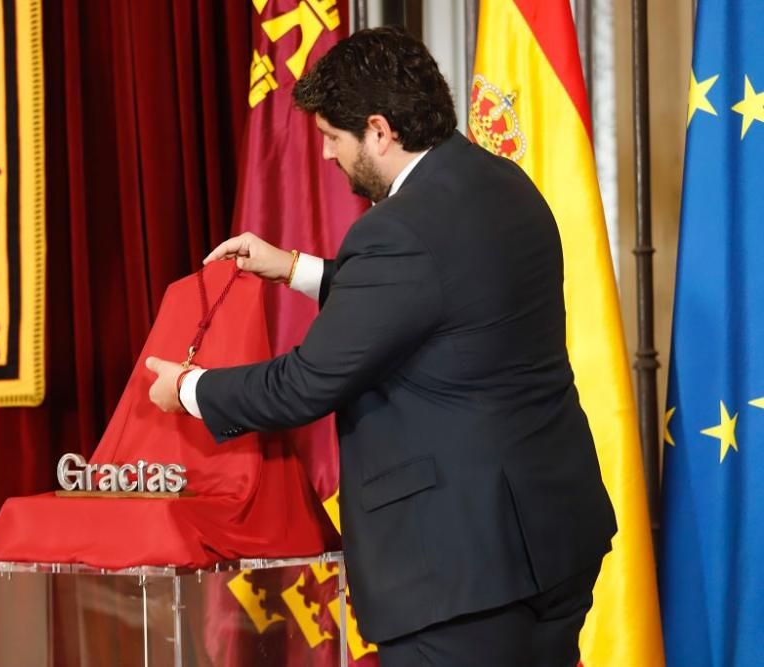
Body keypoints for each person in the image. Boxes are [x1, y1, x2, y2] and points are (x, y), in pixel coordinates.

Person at [145, 26, 616, 667]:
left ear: (378, 129)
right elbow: (441, 300)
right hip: (554, 538)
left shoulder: (397, 231)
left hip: (461, 573)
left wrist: (188, 388)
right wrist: (294, 268)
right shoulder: (504, 183)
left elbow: (306, 383)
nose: (326, 158)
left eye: (332, 140)